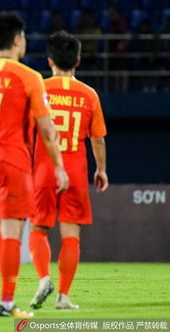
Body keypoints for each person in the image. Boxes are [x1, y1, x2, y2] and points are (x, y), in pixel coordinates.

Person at [0, 12, 68, 318]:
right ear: (18, 39)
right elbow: (46, 129)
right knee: (13, 231)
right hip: (13, 159)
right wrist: (58, 166)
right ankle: (6, 303)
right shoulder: (30, 77)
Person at [29, 30, 108, 310]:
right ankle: (63, 296)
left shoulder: (38, 88)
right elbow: (97, 138)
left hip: (44, 169)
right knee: (71, 235)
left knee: (38, 229)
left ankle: (44, 279)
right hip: (74, 171)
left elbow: (28, 131)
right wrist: (101, 170)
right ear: (77, 61)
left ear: (50, 61)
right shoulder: (89, 94)